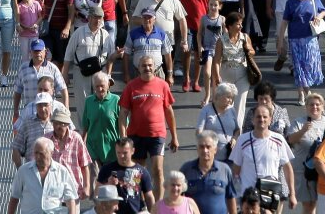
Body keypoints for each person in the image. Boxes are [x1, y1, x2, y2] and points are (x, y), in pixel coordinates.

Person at [119, 57, 178, 188]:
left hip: (157, 134)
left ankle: (157, 206)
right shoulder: (131, 86)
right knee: (135, 172)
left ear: (155, 67)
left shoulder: (163, 85)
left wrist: (174, 137)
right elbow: (123, 113)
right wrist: (123, 137)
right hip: (135, 134)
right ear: (138, 68)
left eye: (150, 65)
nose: (147, 68)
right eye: (144, 66)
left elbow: (169, 112)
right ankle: (135, 202)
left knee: (157, 170)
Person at [230, 104, 296, 212]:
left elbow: (287, 168)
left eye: (265, 117)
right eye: (258, 116)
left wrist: (292, 194)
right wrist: (234, 195)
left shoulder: (278, 140)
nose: (262, 119)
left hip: (269, 195)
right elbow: (236, 170)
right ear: (253, 120)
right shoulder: (242, 140)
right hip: (248, 196)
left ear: (270, 119)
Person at [278, 0, 325, 106]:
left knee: (309, 65)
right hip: (295, 38)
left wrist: (318, 16)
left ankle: (306, 89)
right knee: (298, 67)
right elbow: (284, 22)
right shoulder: (291, 2)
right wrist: (280, 40)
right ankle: (302, 92)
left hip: (310, 37)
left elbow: (323, 11)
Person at [286, 94, 325, 214]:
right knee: (309, 204)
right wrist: (303, 131)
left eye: (317, 104)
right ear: (306, 107)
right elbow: (290, 140)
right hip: (304, 170)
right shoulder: (298, 122)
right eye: (311, 104)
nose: (314, 107)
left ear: (322, 107)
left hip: (324, 170)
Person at [7, 137, 80, 214]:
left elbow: (70, 199)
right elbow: (14, 197)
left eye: (41, 154)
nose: (38, 157)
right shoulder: (23, 171)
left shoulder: (62, 171)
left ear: (51, 153)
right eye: (36, 153)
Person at [181, 132, 237, 214]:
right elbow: (177, 197)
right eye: (201, 147)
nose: (205, 150)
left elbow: (231, 198)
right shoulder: (186, 169)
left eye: (208, 147)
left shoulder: (224, 170)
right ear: (197, 149)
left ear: (215, 150)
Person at [97, 138, 156, 214]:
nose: (121, 156)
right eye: (118, 152)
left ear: (132, 151)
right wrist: (108, 184)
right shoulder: (107, 169)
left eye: (125, 153)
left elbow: (149, 196)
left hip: (136, 211)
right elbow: (97, 193)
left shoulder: (141, 171)